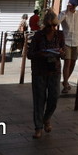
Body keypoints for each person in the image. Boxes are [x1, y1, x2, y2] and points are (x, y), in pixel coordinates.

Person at [27, 9, 65, 138]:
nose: (52, 28)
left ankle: (46, 118)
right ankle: (38, 128)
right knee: (39, 100)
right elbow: (30, 54)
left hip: (54, 70)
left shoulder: (60, 35)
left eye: (54, 25)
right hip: (39, 71)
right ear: (44, 25)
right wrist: (40, 53)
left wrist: (61, 53)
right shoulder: (38, 36)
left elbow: (63, 52)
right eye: (49, 26)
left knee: (54, 98)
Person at [59, 0, 78, 93]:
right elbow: (57, 22)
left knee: (73, 63)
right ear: (69, 4)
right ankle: (65, 84)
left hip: (76, 41)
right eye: (72, 5)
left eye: (74, 5)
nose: (73, 7)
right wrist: (65, 12)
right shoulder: (63, 13)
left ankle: (65, 81)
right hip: (66, 41)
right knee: (67, 63)